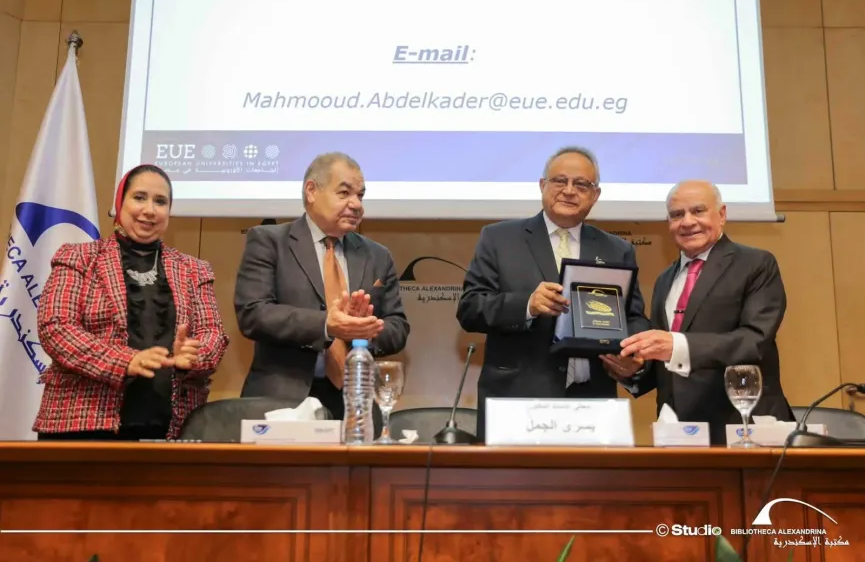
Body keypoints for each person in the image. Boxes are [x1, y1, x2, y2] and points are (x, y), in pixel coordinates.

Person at [456, 146, 650, 441]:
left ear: (595, 195)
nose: (569, 191)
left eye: (581, 184)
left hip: (592, 403)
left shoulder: (617, 249)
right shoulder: (499, 238)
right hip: (517, 401)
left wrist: (632, 355)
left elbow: (633, 317)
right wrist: (527, 306)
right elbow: (470, 308)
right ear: (542, 185)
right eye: (560, 181)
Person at [34, 164, 230, 441]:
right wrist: (127, 360)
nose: (149, 210)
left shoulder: (194, 269)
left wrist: (193, 355)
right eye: (139, 197)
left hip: (170, 426)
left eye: (160, 201)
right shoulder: (79, 257)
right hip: (82, 423)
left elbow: (213, 335)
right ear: (119, 203)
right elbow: (56, 328)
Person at [234, 152, 409, 423]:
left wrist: (366, 329)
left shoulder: (377, 255)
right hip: (283, 401)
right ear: (312, 191)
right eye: (344, 193)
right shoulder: (269, 241)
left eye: (360, 195)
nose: (356, 204)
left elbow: (398, 327)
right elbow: (253, 313)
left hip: (356, 401)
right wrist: (327, 325)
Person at [615, 180, 794, 444]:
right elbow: (667, 359)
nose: (687, 222)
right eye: (677, 214)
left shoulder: (756, 264)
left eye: (698, 211)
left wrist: (677, 345)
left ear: (722, 215)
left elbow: (753, 340)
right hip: (679, 430)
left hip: (741, 426)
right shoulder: (665, 279)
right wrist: (634, 369)